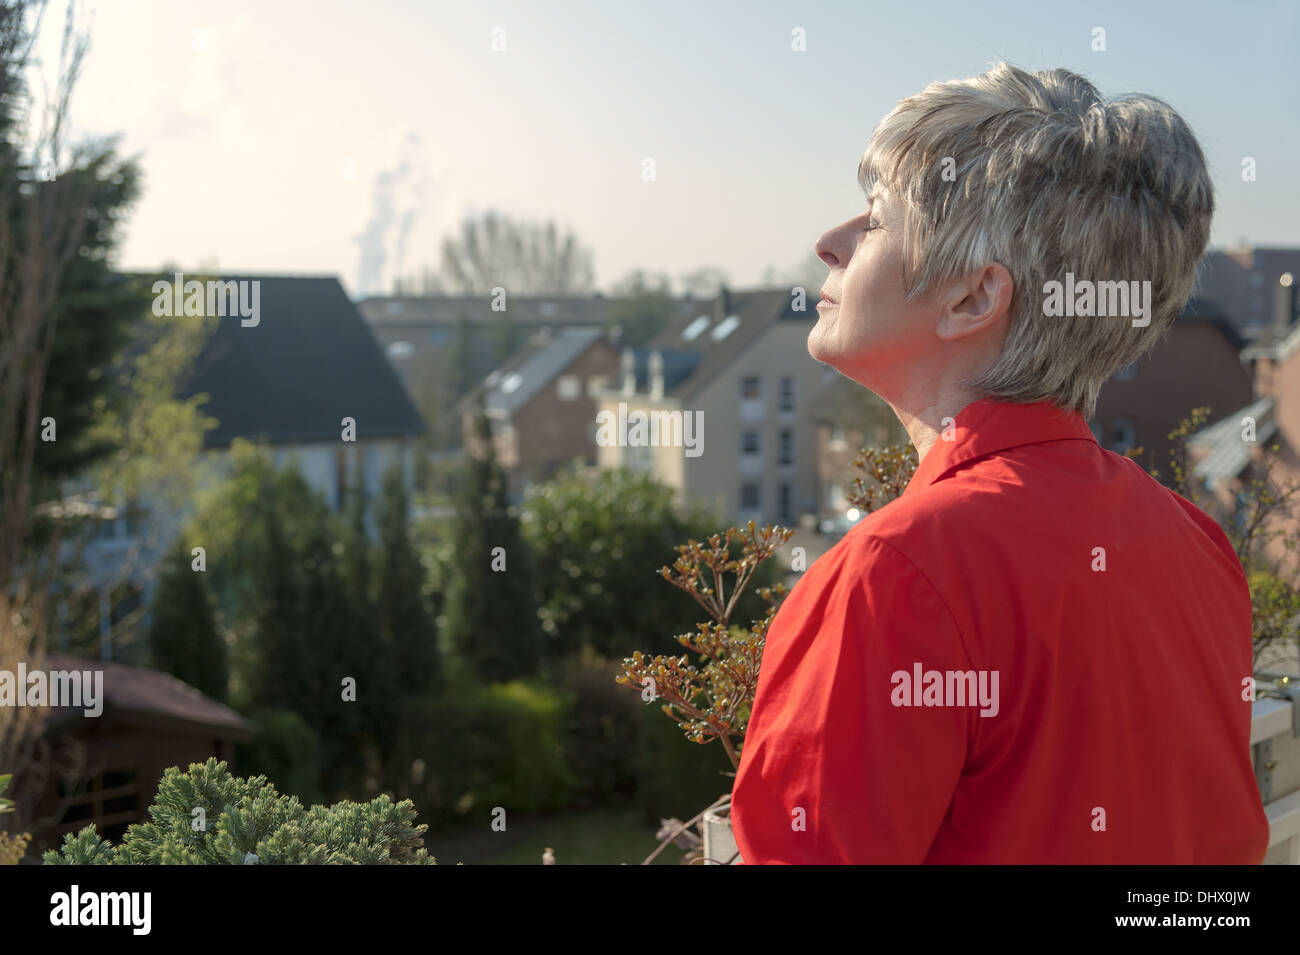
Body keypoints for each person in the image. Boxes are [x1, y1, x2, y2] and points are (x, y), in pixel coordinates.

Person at [729, 62, 1270, 864]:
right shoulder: (1196, 545)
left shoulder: (897, 576)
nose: (830, 242)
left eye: (877, 219)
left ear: (974, 299)